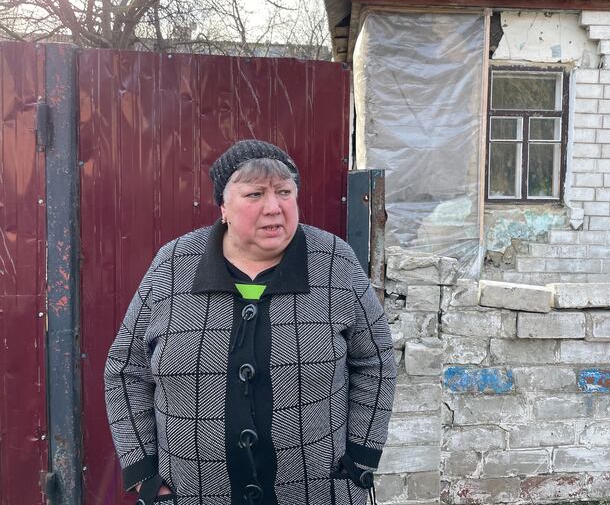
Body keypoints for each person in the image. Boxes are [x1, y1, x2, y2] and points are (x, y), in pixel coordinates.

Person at [105, 140, 396, 505]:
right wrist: (143, 471)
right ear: (224, 207)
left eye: (284, 192)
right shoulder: (174, 263)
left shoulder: (335, 262)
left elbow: (376, 361)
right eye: (255, 194)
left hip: (316, 490)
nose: (273, 207)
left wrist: (360, 457)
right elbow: (125, 369)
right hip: (192, 493)